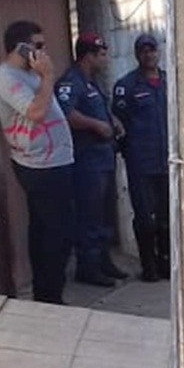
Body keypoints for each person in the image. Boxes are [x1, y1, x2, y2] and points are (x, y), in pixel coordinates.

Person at [0, 21, 76, 305]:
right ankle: (50, 296)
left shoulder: (29, 73)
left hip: (55, 161)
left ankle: (47, 292)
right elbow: (36, 111)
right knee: (56, 234)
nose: (44, 52)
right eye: (38, 46)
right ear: (21, 48)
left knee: (48, 230)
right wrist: (48, 76)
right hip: (41, 166)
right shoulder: (8, 77)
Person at [56, 32, 127, 286]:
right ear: (88, 56)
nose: (106, 59)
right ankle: (88, 266)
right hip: (87, 162)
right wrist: (96, 125)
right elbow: (65, 112)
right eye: (102, 54)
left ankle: (103, 260)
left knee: (105, 215)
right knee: (90, 216)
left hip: (103, 159)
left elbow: (98, 107)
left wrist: (112, 121)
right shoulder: (71, 81)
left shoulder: (90, 81)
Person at [113, 34, 170, 282]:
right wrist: (129, 153)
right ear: (137, 55)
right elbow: (119, 124)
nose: (148, 55)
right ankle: (149, 266)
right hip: (141, 164)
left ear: (158, 53)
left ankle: (166, 263)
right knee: (145, 219)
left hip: (167, 162)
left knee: (167, 218)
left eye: (152, 50)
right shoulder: (127, 86)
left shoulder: (170, 82)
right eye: (143, 51)